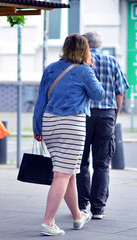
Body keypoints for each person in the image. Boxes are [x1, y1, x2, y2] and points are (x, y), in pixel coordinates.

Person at [33, 33, 105, 236]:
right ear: (85, 50)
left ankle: (77, 217)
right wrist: (91, 69)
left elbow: (40, 100)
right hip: (72, 123)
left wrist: (37, 127)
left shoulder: (50, 69)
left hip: (49, 122)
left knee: (69, 172)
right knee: (62, 174)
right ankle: (48, 222)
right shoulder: (84, 70)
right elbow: (99, 95)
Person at [77, 31, 129, 220]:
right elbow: (120, 93)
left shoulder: (80, 62)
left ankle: (82, 206)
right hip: (106, 115)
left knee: (81, 163)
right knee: (102, 165)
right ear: (99, 44)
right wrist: (113, 116)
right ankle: (98, 209)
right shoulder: (113, 61)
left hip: (83, 116)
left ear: (86, 43)